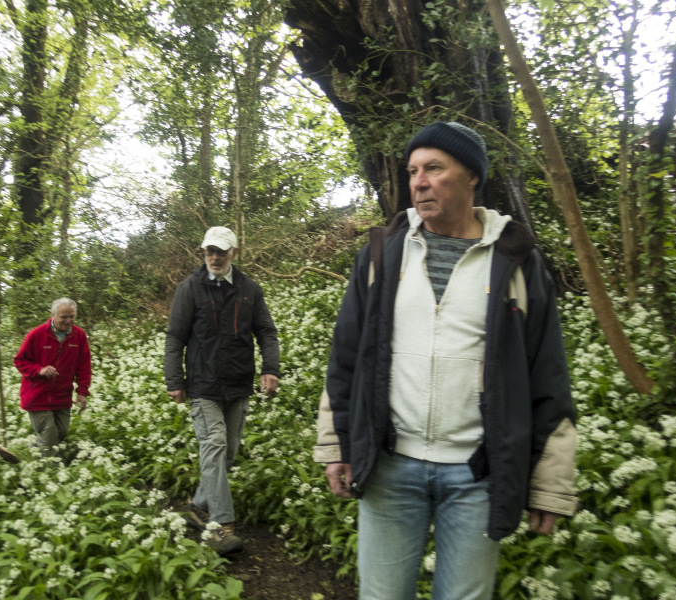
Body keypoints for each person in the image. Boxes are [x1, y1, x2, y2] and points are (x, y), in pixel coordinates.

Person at [314, 122, 577, 600]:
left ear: (472, 176)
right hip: (390, 469)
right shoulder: (381, 252)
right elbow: (347, 356)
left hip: (477, 475)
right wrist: (336, 446)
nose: (419, 181)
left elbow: (548, 373)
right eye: (414, 170)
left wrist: (551, 482)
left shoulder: (517, 259)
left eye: (435, 168)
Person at [165, 226, 280, 556]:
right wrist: (174, 379)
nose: (214, 257)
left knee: (227, 454)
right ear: (204, 253)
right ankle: (220, 525)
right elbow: (175, 337)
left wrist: (270, 368)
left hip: (238, 384)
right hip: (203, 385)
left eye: (220, 251)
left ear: (234, 252)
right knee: (214, 444)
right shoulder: (190, 289)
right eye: (209, 251)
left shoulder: (249, 290)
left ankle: (198, 504)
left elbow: (266, 333)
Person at [14, 298, 91, 459]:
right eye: (64, 317)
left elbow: (84, 366)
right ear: (53, 315)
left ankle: (31, 453)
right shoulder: (36, 334)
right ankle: (53, 472)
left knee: (61, 432)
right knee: (49, 434)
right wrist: (39, 370)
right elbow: (20, 360)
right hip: (37, 395)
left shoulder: (79, 336)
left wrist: (82, 391)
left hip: (62, 395)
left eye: (72, 316)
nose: (68, 321)